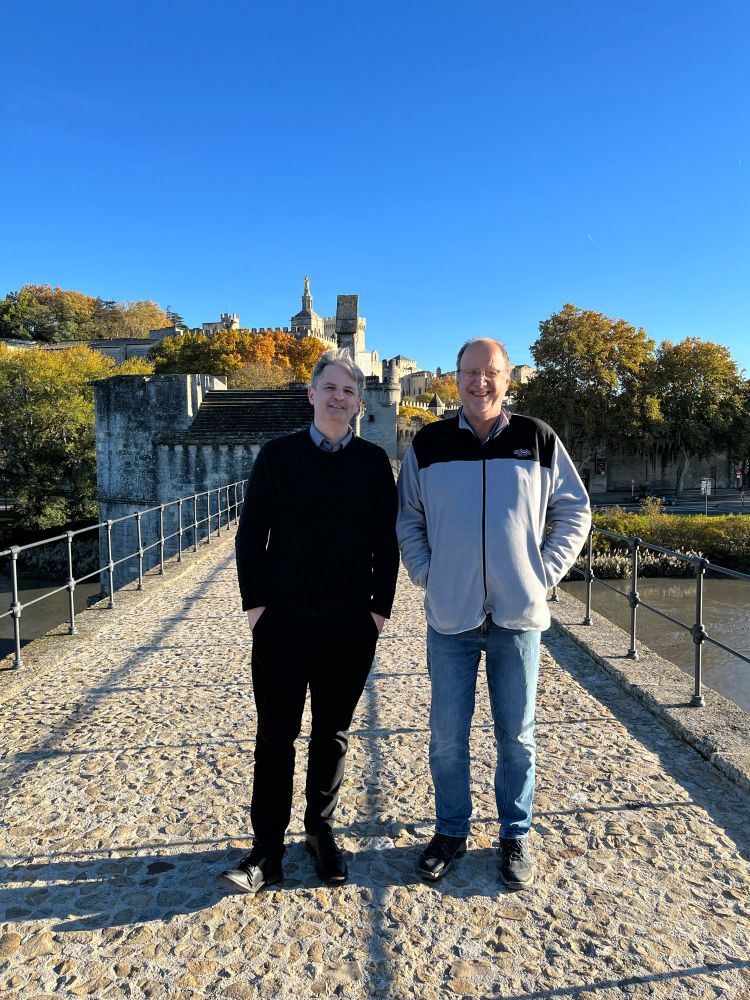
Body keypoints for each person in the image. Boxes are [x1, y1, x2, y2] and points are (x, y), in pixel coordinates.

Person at [397, 337, 591, 889]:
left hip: (517, 615)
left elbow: (574, 511)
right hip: (451, 616)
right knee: (447, 737)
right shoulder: (428, 444)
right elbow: (407, 517)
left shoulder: (537, 438)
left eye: (491, 372)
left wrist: (544, 571)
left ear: (508, 380)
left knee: (517, 737)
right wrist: (426, 573)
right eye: (470, 372)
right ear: (455, 377)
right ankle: (452, 832)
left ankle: (514, 836)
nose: (479, 381)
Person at [220, 348, 399, 893]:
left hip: (349, 625)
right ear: (312, 394)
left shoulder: (372, 464)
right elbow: (250, 536)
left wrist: (378, 611)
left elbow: (386, 545)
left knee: (333, 736)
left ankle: (320, 832)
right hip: (283, 623)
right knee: (275, 738)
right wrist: (256, 608)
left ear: (358, 403)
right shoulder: (277, 456)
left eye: (349, 391)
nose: (339, 398)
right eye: (331, 388)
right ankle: (265, 851)